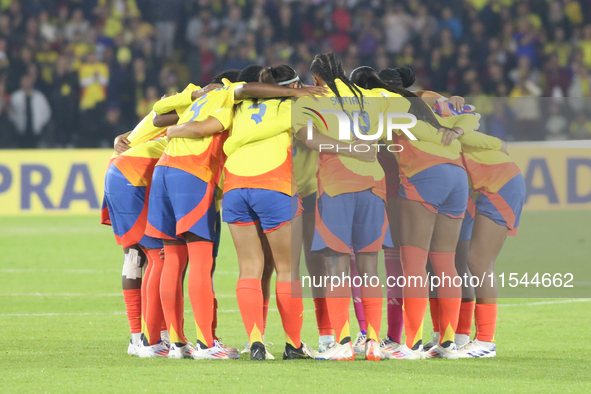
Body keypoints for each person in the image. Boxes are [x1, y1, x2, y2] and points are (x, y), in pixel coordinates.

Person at [149, 66, 327, 360]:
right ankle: (293, 345)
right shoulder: (289, 106)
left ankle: (255, 341)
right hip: (272, 185)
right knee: (286, 270)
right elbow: (312, 139)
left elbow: (165, 115)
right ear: (292, 86)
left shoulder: (235, 107)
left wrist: (174, 127)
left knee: (249, 267)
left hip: (233, 188)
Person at [101, 85, 201, 356]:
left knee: (139, 256)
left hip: (130, 176)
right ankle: (146, 338)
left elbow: (142, 130)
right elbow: (159, 117)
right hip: (131, 178)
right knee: (157, 255)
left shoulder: (155, 121)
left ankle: (147, 336)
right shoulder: (170, 115)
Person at [9, 74, 52, 148]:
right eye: (25, 80)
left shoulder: (40, 97)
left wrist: (40, 127)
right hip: (19, 135)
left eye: (29, 80)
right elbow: (11, 115)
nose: (27, 82)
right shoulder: (15, 97)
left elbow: (47, 113)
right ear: (21, 81)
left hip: (37, 135)